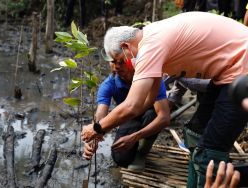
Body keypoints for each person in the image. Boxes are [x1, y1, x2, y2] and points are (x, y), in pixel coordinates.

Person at [81, 12, 248, 188]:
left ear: (125, 46)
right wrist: (100, 132)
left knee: (208, 154)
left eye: (121, 60)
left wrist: (97, 128)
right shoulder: (152, 38)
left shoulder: (149, 46)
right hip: (227, 73)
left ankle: (225, 177)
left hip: (241, 69)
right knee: (193, 135)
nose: (120, 66)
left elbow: (132, 105)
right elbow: (146, 101)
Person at [83, 62, 170, 171]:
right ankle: (133, 143)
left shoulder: (150, 78)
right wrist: (94, 137)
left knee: (152, 115)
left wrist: (135, 137)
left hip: (150, 113)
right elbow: (101, 114)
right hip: (128, 118)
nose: (116, 66)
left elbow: (164, 118)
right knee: (120, 158)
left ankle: (143, 151)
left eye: (121, 62)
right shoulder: (109, 84)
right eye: (113, 62)